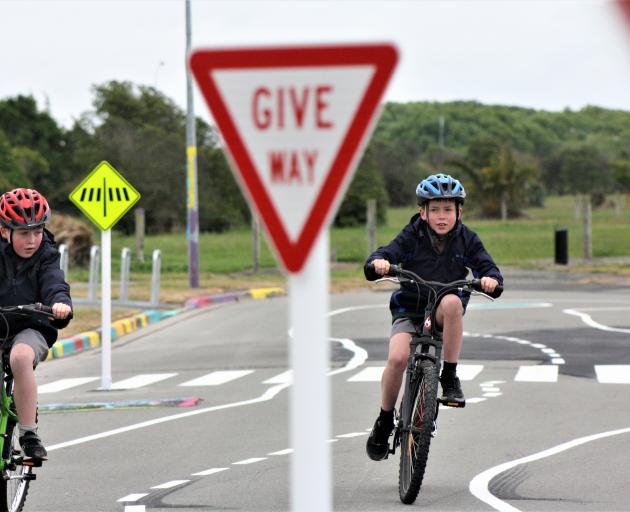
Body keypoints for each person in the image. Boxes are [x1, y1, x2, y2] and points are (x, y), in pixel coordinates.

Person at [364, 173, 503, 461]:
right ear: (422, 212)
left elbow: (488, 268)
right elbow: (386, 252)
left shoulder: (467, 239)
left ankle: (449, 376)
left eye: (448, 210)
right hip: (411, 307)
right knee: (398, 358)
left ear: (459, 212)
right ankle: (385, 419)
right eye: (435, 209)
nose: (442, 216)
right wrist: (380, 263)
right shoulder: (412, 234)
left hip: (442, 314)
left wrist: (490, 279)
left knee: (453, 302)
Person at [0, 188, 72, 461]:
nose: (32, 240)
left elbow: (56, 284)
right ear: (5, 231)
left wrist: (60, 304)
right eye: (23, 233)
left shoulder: (47, 255)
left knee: (20, 357)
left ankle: (29, 434)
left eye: (37, 231)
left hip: (33, 325)